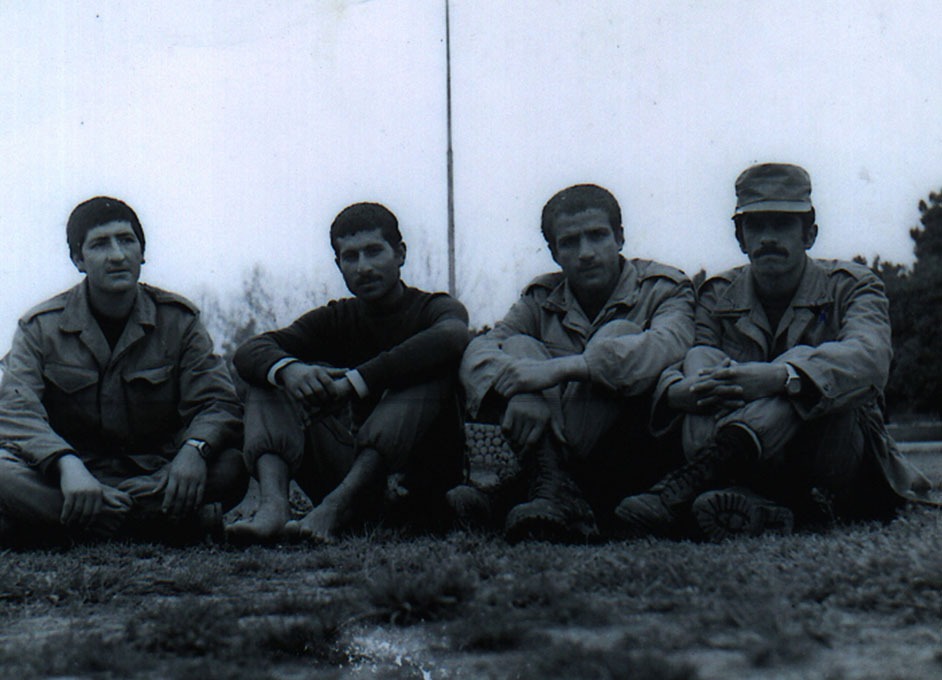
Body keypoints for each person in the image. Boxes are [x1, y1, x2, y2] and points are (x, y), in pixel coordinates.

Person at [616, 163, 933, 541]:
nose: (768, 237)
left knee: (803, 383)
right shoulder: (717, 294)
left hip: (833, 453)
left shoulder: (853, 286)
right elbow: (687, 356)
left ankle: (681, 493)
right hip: (753, 457)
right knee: (705, 369)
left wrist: (781, 377)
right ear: (740, 238)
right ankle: (768, 505)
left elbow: (871, 358)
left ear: (809, 234)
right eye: (756, 226)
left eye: (782, 224)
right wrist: (679, 390)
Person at [0, 197, 246, 545]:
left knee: (231, 466)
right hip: (71, 476)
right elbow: (16, 411)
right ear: (78, 260)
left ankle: (66, 525)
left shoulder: (179, 320)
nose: (117, 255)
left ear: (142, 252)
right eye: (100, 244)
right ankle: (167, 524)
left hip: (156, 472)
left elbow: (217, 402)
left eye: (126, 240)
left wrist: (193, 451)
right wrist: (66, 464)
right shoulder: (40, 327)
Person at [455, 183, 695, 542]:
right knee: (519, 346)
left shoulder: (663, 287)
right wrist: (523, 392)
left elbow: (669, 344)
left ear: (619, 238)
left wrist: (562, 368)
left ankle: (523, 495)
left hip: (637, 453)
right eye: (569, 242)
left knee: (618, 333)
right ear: (554, 253)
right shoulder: (541, 298)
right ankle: (554, 493)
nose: (585, 253)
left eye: (597, 236)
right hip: (565, 449)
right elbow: (481, 349)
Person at [227, 202, 468, 544]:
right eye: (350, 257)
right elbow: (250, 350)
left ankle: (335, 509)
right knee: (269, 377)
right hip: (353, 479)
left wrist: (355, 383)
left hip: (422, 486)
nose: (363, 267)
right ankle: (273, 507)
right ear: (338, 264)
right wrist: (292, 371)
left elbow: (452, 336)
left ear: (400, 254)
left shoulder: (434, 309)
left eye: (374, 252)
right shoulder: (337, 318)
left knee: (427, 370)